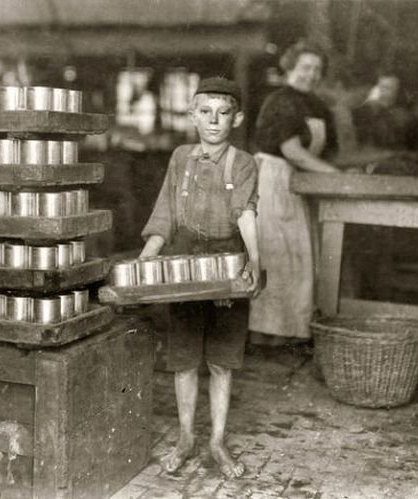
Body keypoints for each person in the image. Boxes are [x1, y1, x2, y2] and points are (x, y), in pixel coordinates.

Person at [140, 77, 262, 478]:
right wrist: (146, 259)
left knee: (223, 362)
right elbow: (165, 213)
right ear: (192, 116)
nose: (214, 120)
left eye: (223, 113)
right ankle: (186, 438)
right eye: (205, 112)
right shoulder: (180, 158)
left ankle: (217, 442)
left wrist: (253, 263)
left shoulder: (243, 163)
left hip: (227, 266)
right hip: (185, 265)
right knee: (184, 360)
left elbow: (245, 213)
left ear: (237, 118)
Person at [249, 41, 341, 347]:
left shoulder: (317, 105)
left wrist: (336, 170)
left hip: (304, 182)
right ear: (290, 67)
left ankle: (290, 332)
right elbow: (293, 152)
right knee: (277, 257)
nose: (311, 75)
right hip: (275, 181)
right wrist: (334, 176)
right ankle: (265, 332)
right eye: (305, 68)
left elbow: (329, 152)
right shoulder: (280, 101)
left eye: (317, 69)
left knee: (300, 259)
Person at [352, 71, 412, 150]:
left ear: (397, 91)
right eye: (380, 87)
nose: (382, 91)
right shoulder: (366, 111)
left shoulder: (402, 115)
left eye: (387, 88)